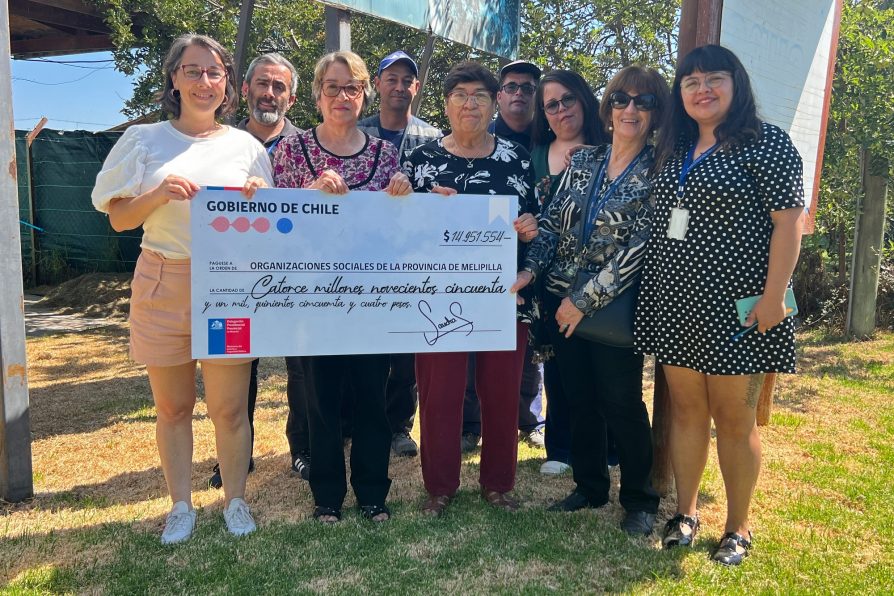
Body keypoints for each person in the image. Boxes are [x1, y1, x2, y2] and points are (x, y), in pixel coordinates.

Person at [91, 34, 272, 544]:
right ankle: (180, 506)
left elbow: (274, 228)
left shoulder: (247, 148)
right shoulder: (144, 139)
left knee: (230, 408)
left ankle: (235, 500)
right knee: (172, 408)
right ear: (173, 78)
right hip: (164, 281)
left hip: (230, 288)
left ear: (227, 84)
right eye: (192, 71)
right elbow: (119, 219)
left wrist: (258, 202)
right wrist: (157, 193)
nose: (204, 82)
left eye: (214, 72)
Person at [636, 45, 804, 565]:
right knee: (686, 413)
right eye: (690, 82)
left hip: (742, 308)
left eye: (713, 79)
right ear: (680, 93)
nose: (702, 89)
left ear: (737, 83)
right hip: (677, 303)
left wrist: (775, 296)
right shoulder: (674, 146)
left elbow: (789, 222)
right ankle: (685, 512)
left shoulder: (766, 144)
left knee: (735, 419)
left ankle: (738, 528)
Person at [513, 65, 670, 535]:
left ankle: (640, 500)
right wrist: (530, 270)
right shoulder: (582, 161)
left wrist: (582, 300)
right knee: (578, 398)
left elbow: (638, 248)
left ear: (656, 113)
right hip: (562, 305)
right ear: (608, 106)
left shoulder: (658, 171)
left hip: (610, 308)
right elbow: (554, 227)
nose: (630, 109)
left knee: (621, 403)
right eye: (622, 99)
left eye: (644, 102)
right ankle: (590, 486)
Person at [272, 50, 412, 523]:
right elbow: (275, 227)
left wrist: (403, 198)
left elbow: (397, 233)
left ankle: (373, 494)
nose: (341, 96)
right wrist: (307, 196)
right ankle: (326, 497)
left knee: (373, 398)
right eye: (332, 86)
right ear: (316, 94)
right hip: (313, 298)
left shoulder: (384, 154)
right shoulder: (291, 152)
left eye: (351, 87)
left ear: (363, 94)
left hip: (372, 298)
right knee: (321, 400)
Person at [404, 61, 539, 516]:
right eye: (460, 94)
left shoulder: (516, 159)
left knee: (501, 393)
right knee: (439, 393)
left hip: (504, 296)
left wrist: (527, 228)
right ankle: (439, 487)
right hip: (436, 299)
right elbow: (398, 230)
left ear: (494, 102)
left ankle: (499, 484)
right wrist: (419, 206)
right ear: (446, 104)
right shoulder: (421, 161)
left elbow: (537, 226)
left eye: (480, 95)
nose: (470, 103)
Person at [208, 51, 311, 489]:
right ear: (245, 88)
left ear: (292, 97)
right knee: (233, 366)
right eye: (262, 84)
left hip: (296, 279)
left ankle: (303, 450)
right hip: (233, 279)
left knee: (303, 368)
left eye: (279, 86)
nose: (270, 93)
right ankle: (235, 456)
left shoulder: (308, 146)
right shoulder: (217, 144)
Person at [358, 50, 442, 458]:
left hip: (415, 261)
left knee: (408, 354)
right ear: (377, 85)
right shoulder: (357, 132)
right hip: (364, 260)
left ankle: (399, 428)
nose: (399, 86)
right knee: (366, 349)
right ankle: (362, 424)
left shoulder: (433, 138)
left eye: (407, 79)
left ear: (416, 87)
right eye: (390, 78)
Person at [528, 69, 610, 475]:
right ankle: (560, 449)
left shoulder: (614, 147)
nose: (561, 110)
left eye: (568, 100)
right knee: (559, 367)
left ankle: (610, 451)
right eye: (551, 105)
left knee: (606, 368)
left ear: (584, 99)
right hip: (550, 280)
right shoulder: (536, 156)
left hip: (604, 281)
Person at [462, 59, 545, 452]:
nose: (518, 94)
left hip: (524, 269)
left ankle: (529, 420)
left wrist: (532, 223)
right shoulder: (481, 134)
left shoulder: (543, 138)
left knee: (526, 353)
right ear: (500, 97)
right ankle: (471, 424)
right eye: (511, 86)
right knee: (469, 353)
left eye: (527, 88)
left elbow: (537, 207)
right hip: (469, 272)